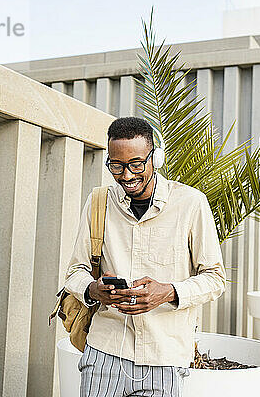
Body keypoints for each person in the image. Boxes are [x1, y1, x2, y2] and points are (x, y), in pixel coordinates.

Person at [64, 117, 226, 397]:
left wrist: (169, 292)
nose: (126, 175)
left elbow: (215, 278)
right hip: (105, 352)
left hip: (165, 358)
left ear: (156, 158)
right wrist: (93, 290)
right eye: (116, 166)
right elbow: (75, 271)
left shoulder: (191, 203)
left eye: (136, 164)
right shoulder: (99, 202)